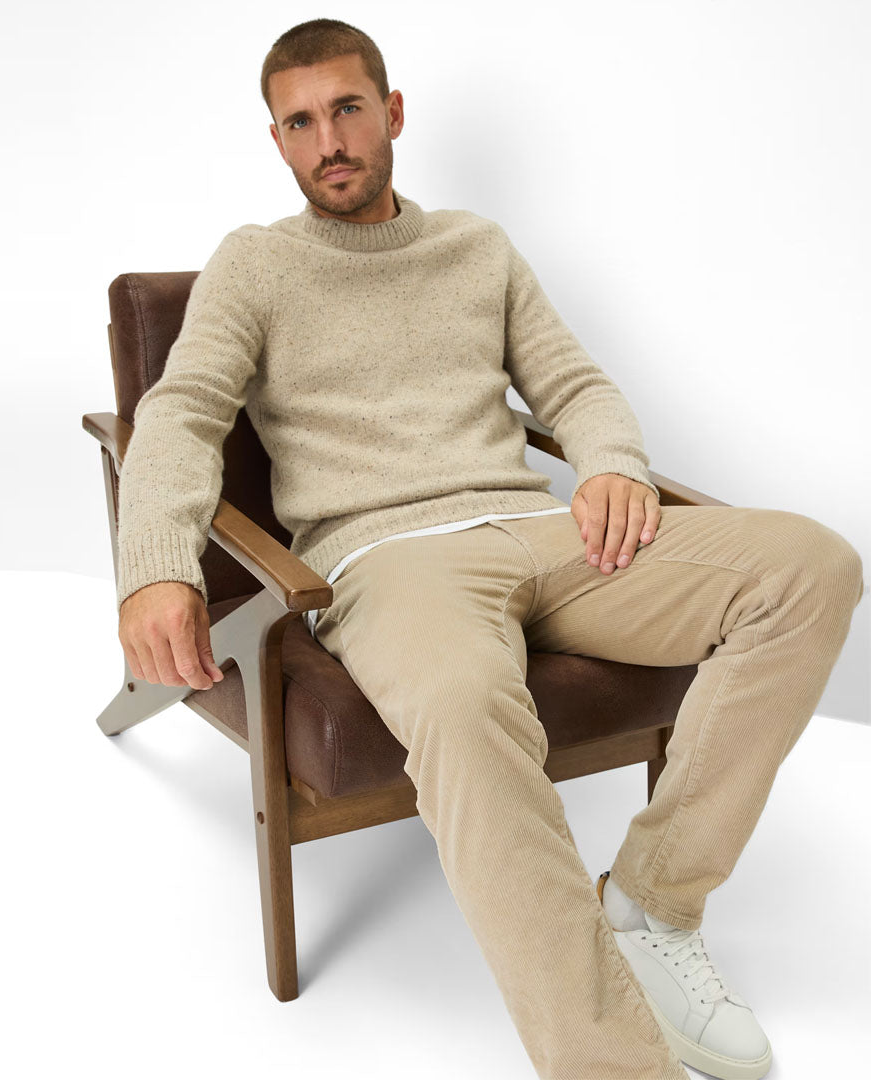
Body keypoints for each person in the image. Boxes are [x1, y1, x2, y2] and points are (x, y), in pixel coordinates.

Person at [114, 17, 864, 1080]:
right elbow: (180, 415)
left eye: (347, 109)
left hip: (543, 532)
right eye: (300, 122)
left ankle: (652, 904)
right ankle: (610, 1064)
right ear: (277, 141)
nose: (329, 140)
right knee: (465, 705)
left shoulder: (478, 247)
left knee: (812, 567)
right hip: (387, 559)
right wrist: (156, 565)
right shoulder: (256, 264)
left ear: (392, 113)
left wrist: (610, 462)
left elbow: (575, 384)